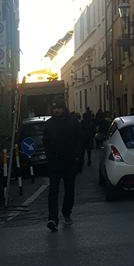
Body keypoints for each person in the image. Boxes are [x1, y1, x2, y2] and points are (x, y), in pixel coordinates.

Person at [43, 97, 81, 231]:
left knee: (69, 191)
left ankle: (66, 212)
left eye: (58, 108)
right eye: (54, 108)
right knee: (53, 191)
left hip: (70, 162)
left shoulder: (73, 122)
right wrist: (49, 157)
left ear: (63, 108)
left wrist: (77, 159)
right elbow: (46, 143)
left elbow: (78, 141)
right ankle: (52, 218)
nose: (56, 110)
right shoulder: (49, 124)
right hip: (55, 163)